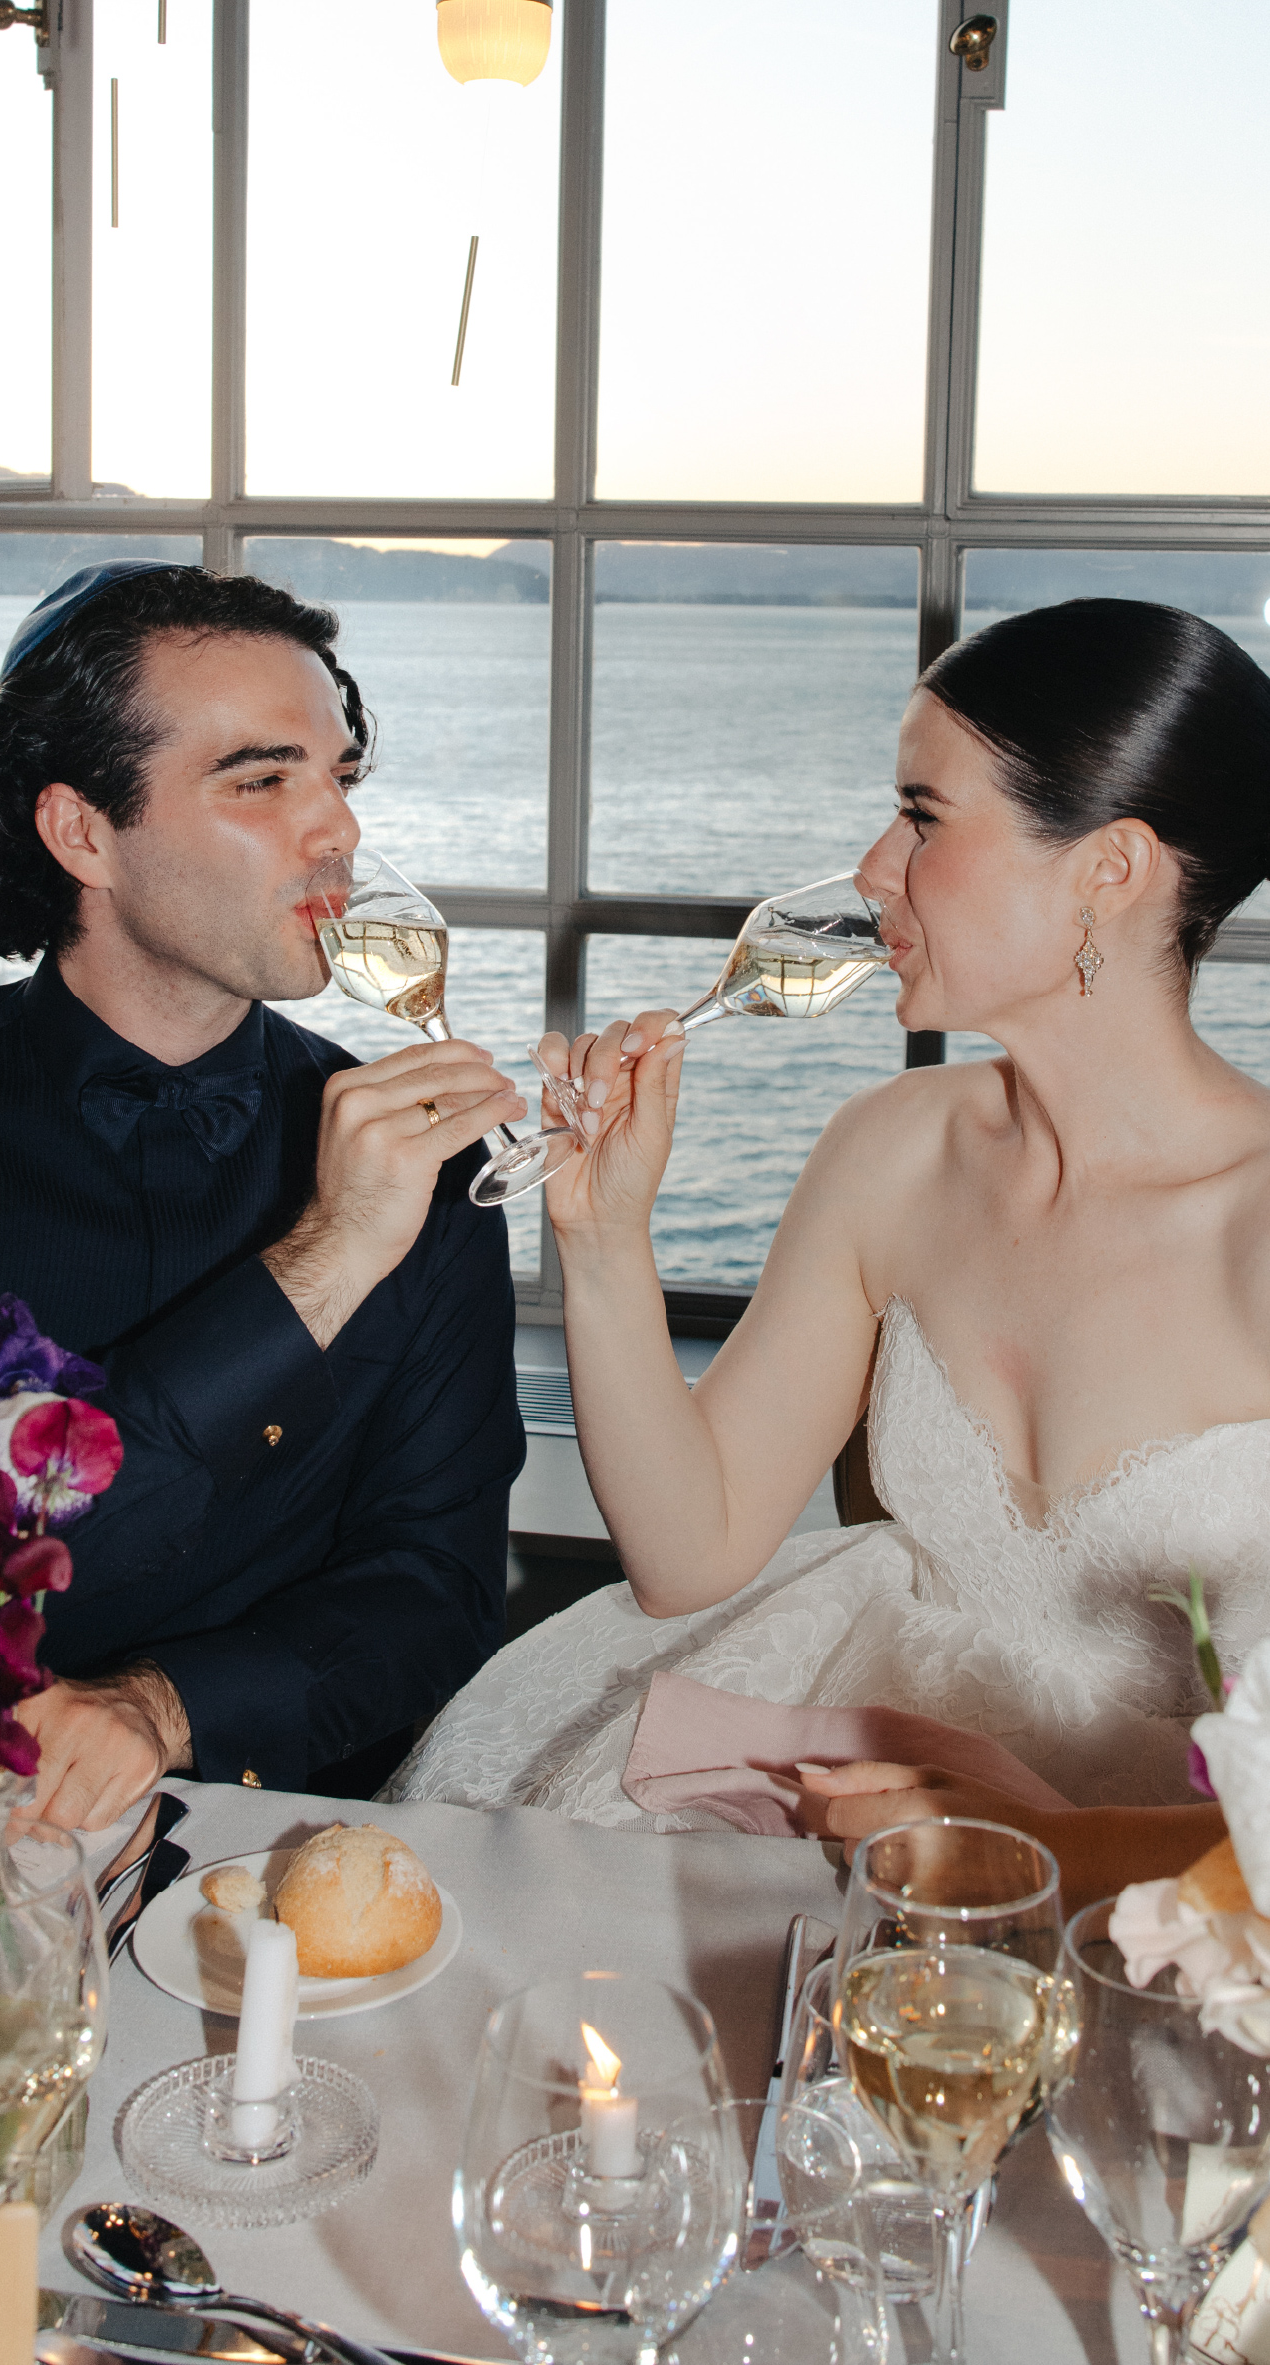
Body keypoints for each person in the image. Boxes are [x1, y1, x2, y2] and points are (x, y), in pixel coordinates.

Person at [388, 598, 1270, 1908]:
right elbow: (689, 1553)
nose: (869, 869)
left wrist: (1000, 1852)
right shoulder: (890, 1148)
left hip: (1177, 1896)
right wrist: (602, 1234)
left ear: (1109, 866)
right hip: (864, 1791)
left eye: (922, 818)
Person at [0, 562, 526, 1831]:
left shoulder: (425, 1158)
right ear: (84, 832)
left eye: (340, 776)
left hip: (286, 1856)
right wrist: (323, 1260)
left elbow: (440, 1589)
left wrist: (161, 1707)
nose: (340, 831)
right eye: (261, 779)